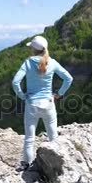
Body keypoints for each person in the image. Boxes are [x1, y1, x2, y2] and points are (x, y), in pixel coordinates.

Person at [12, 35, 73, 169]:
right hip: (49, 103)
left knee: (29, 139)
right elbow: (68, 78)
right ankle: (57, 166)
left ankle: (27, 165)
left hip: (32, 104)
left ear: (33, 49)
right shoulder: (52, 62)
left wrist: (22, 96)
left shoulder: (28, 63)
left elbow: (15, 82)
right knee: (53, 137)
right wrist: (59, 94)